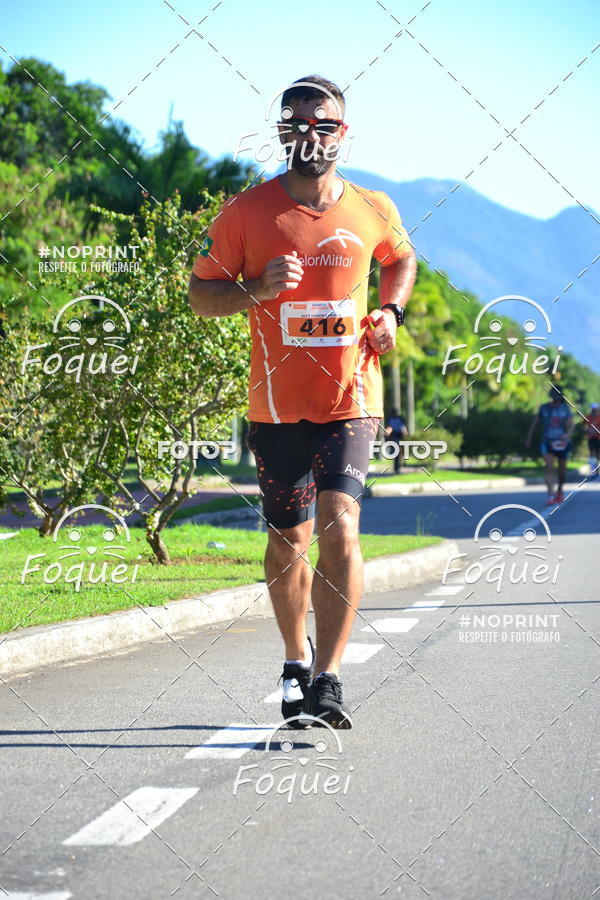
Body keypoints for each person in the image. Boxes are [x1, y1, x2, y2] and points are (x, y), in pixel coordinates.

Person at [189, 75, 416, 729]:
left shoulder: (373, 206)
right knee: (288, 542)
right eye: (300, 123)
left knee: (341, 525)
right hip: (276, 408)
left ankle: (329, 678)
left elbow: (400, 261)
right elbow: (201, 296)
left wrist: (391, 312)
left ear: (343, 134)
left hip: (351, 398)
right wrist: (256, 287)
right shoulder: (244, 215)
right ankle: (295, 660)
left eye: (326, 124)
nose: (312, 134)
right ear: (283, 131)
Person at [526, 386, 573, 505]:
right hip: (547, 441)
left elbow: (571, 425)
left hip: (562, 443)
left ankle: (560, 491)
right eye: (553, 395)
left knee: (562, 471)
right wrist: (529, 438)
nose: (555, 398)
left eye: (557, 396)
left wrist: (567, 435)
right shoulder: (544, 408)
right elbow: (535, 423)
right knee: (549, 467)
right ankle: (550, 495)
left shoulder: (565, 409)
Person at [385, 407, 408, 474]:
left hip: (399, 437)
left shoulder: (399, 418)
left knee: (398, 453)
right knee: (397, 453)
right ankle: (397, 467)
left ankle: (398, 466)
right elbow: (389, 428)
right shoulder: (391, 418)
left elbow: (403, 428)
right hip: (394, 437)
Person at [587, 402, 600, 479]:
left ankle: (597, 470)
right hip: (591, 438)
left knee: (598, 454)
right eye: (593, 409)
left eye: (596, 409)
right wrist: (588, 431)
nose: (594, 411)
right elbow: (583, 426)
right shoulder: (588, 417)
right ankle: (593, 471)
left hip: (598, 438)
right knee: (592, 453)